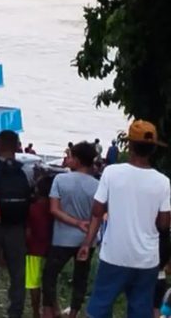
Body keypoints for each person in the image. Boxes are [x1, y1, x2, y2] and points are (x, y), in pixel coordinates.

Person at [79, 120, 171, 317]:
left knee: (100, 307)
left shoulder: (112, 173)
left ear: (129, 146)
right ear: (153, 149)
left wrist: (87, 243)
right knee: (140, 310)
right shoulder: (163, 182)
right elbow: (164, 224)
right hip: (147, 259)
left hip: (114, 255)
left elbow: (97, 211)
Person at [42, 141, 99, 318]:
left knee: (49, 276)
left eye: (71, 157)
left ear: (78, 160)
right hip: (87, 240)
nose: (68, 159)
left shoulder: (60, 179)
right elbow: (99, 215)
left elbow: (54, 210)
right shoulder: (97, 185)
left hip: (62, 238)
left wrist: (75, 223)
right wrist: (84, 227)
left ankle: (50, 311)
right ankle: (73, 313)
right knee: (80, 278)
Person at [0, 130, 34, 318]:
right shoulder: (26, 171)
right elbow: (30, 197)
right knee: (18, 274)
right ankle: (15, 312)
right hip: (17, 227)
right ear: (17, 146)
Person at [26, 176, 54, 318]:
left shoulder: (32, 208)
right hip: (52, 249)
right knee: (50, 281)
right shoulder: (55, 208)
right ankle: (53, 310)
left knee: (33, 283)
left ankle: (36, 312)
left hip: (33, 250)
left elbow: (28, 231)